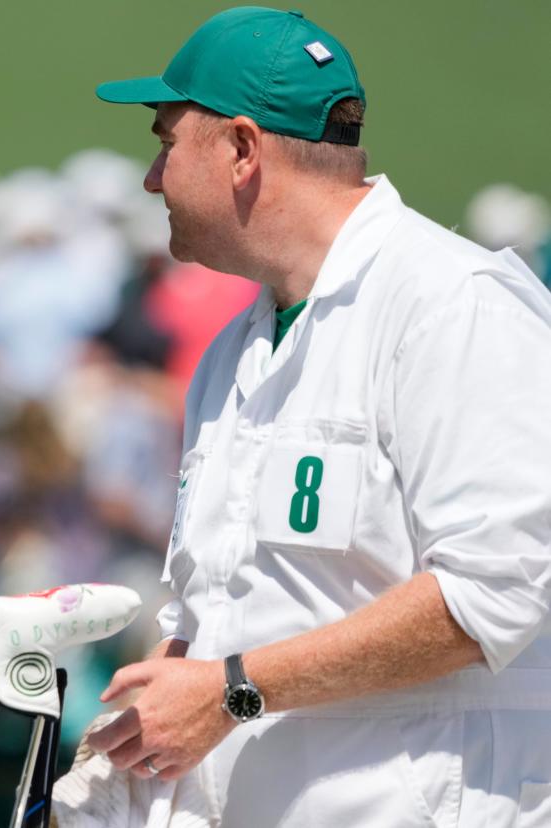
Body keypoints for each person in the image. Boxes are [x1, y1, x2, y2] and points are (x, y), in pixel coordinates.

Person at [51, 8, 551, 827]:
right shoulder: (233, 350)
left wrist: (233, 690)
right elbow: (208, 606)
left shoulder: (454, 307)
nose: (151, 177)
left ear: (242, 149)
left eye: (165, 140)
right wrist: (128, 748)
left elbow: (491, 593)